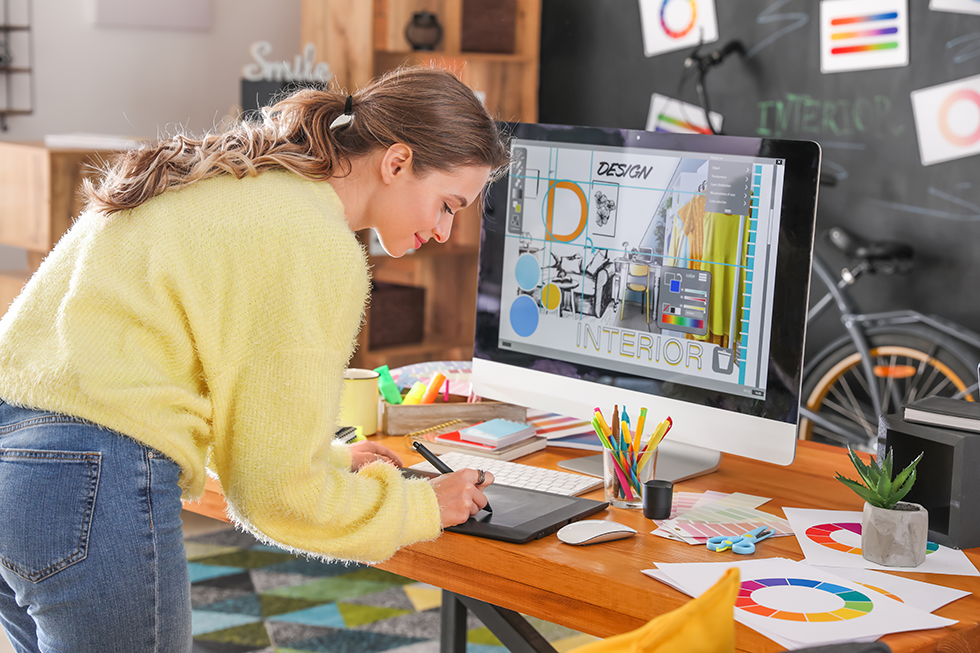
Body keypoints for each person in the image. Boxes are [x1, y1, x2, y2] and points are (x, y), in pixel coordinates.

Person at [0, 65, 509, 653]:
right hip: (89, 482)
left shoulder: (243, 177)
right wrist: (423, 505)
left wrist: (328, 458)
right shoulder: (311, 240)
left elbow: (164, 367)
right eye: (448, 204)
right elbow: (275, 496)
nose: (446, 230)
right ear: (396, 163)